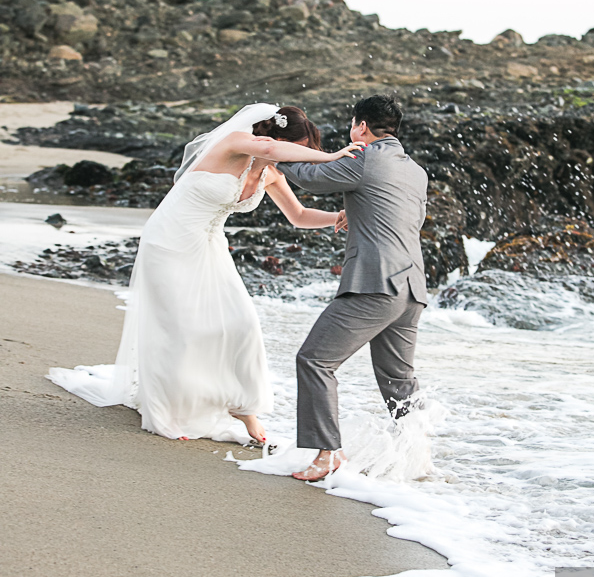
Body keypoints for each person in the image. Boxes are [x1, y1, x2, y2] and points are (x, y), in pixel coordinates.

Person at [48, 103, 359, 445]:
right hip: (169, 240)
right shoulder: (233, 142)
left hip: (209, 244)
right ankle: (166, 411)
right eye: (299, 149)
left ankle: (242, 406)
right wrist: (333, 156)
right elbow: (269, 149)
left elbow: (298, 215)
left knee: (242, 322)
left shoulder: (271, 173)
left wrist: (338, 217)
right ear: (277, 137)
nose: (300, 159)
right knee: (179, 327)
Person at [275, 94, 428, 481]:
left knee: (315, 360)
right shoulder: (415, 170)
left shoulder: (364, 158)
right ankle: (418, 459)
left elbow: (310, 179)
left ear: (361, 126)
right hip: (411, 288)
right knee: (399, 382)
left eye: (352, 125)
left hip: (375, 283)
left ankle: (328, 454)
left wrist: (272, 151)